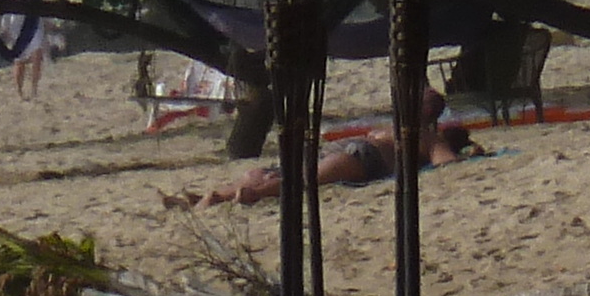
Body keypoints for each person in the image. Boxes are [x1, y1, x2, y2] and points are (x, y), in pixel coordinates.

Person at [170, 92, 472, 208]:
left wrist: (459, 151)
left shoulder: (429, 136)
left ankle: (221, 196)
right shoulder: (411, 131)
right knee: (296, 176)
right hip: (358, 156)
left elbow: (446, 165)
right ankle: (224, 195)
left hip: (360, 154)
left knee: (298, 176)